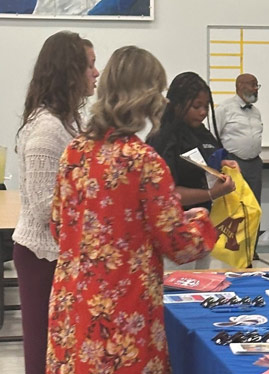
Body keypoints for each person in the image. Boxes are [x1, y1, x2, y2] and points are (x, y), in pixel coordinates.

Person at [46, 46, 218, 373]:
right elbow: (179, 245)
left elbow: (58, 226)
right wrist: (202, 221)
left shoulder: (74, 152)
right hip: (124, 312)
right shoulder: (143, 162)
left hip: (72, 305)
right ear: (149, 97)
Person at [11, 31, 98, 374]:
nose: (97, 72)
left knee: (66, 349)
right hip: (42, 256)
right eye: (90, 65)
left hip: (62, 253)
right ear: (70, 70)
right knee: (44, 350)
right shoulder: (48, 130)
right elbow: (45, 207)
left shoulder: (70, 120)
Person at [146, 72, 237, 269]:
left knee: (205, 287)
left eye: (206, 106)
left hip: (205, 229)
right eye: (196, 106)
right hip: (174, 234)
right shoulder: (162, 138)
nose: (203, 112)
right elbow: (167, 194)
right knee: (178, 289)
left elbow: (212, 165)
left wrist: (226, 166)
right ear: (177, 105)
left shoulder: (204, 134)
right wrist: (212, 193)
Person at [215, 73, 263, 204]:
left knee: (254, 205)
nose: (256, 89)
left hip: (255, 164)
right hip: (233, 163)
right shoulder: (224, 109)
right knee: (235, 205)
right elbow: (213, 136)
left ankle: (256, 226)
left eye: (257, 85)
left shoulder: (256, 112)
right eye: (253, 85)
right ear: (240, 86)